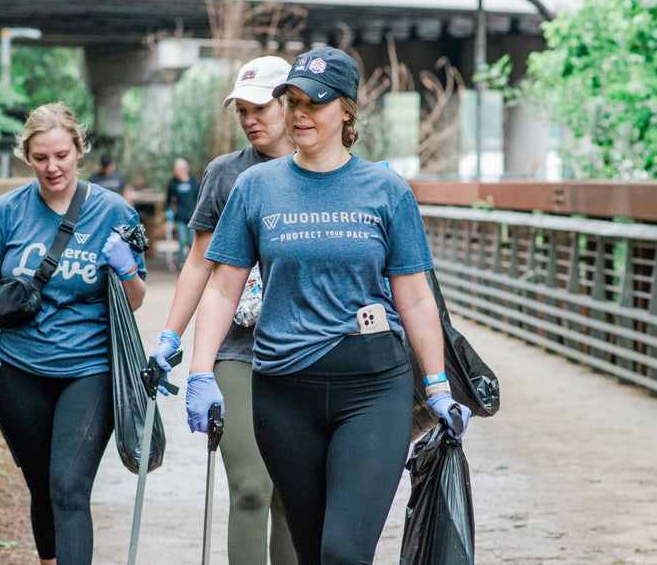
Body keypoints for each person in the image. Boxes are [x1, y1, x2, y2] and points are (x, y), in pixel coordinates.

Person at [183, 47, 473, 564]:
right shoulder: (255, 188)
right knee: (311, 550)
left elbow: (414, 295)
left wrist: (436, 386)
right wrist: (201, 372)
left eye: (313, 103)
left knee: (343, 552)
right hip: (282, 392)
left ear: (346, 110)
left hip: (371, 387)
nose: (298, 114)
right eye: (291, 100)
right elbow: (223, 287)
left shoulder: (386, 190)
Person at [0, 102, 146, 565]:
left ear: (78, 151)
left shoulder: (113, 210)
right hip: (18, 369)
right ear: (28, 156)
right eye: (42, 158)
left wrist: (127, 270)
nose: (53, 167)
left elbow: (137, 298)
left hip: (89, 368)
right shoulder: (6, 211)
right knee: (42, 484)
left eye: (62, 155)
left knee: (69, 487)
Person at [151, 55, 298, 565]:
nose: (251, 119)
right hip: (237, 349)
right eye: (242, 110)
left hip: (307, 351)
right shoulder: (225, 174)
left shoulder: (325, 171)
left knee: (291, 496)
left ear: (290, 104)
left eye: (261, 107)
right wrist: (172, 338)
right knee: (253, 487)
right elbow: (198, 263)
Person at [164, 158, 199, 266]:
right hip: (179, 217)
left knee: (192, 242)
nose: (176, 172)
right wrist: (168, 210)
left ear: (185, 169)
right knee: (182, 241)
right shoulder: (173, 183)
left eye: (178, 170)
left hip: (193, 217)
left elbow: (199, 198)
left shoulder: (194, 183)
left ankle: (193, 263)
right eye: (175, 170)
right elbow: (168, 199)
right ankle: (182, 263)